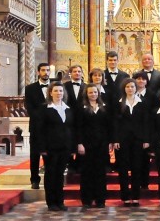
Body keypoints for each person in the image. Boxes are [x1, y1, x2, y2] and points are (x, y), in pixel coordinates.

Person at [113, 79, 149, 206]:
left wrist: (146, 139)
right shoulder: (118, 103)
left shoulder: (142, 103)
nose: (130, 89)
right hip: (122, 140)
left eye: (132, 86)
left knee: (137, 168)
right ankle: (125, 197)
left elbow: (146, 122)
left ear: (136, 88)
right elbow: (115, 123)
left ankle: (135, 196)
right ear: (124, 88)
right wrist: (115, 139)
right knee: (123, 168)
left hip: (138, 139)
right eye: (127, 87)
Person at [39, 83, 74, 211]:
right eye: (56, 91)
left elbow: (71, 128)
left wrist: (72, 147)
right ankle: (51, 202)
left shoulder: (68, 109)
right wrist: (42, 148)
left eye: (61, 91)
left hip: (65, 147)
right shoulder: (45, 109)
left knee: (60, 175)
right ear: (50, 93)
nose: (59, 93)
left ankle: (60, 201)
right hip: (50, 147)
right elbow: (40, 130)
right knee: (50, 174)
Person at [76, 84, 111, 207]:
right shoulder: (81, 108)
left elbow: (108, 126)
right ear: (86, 94)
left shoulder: (104, 107)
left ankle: (100, 199)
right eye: (90, 92)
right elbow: (78, 127)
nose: (93, 94)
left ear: (98, 93)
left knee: (101, 172)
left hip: (102, 144)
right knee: (87, 172)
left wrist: (110, 142)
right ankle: (87, 199)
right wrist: (79, 143)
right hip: (86, 144)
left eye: (95, 92)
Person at [24, 63, 50, 189]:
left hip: (52, 127)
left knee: (50, 155)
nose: (46, 72)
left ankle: (50, 180)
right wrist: (43, 117)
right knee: (35, 155)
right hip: (36, 126)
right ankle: (34, 180)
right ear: (38, 72)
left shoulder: (56, 87)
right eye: (43, 70)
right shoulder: (30, 88)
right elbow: (30, 108)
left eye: (48, 70)